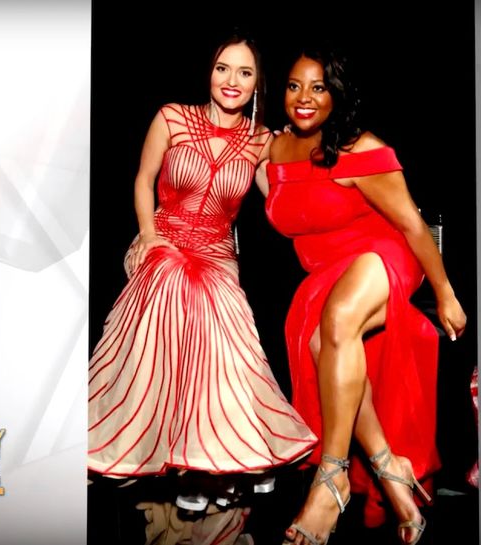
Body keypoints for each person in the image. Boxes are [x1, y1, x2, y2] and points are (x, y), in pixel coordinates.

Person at [87, 34, 317, 544]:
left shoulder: (261, 141)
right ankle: (157, 448)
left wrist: (301, 162)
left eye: (245, 72)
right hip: (163, 238)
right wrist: (148, 235)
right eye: (223, 68)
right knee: (175, 280)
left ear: (258, 83)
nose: (232, 81)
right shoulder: (172, 118)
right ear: (208, 72)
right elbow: (143, 180)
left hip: (216, 254)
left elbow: (281, 205)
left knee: (220, 307)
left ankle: (210, 461)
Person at [260, 47, 467, 545]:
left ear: (336, 94)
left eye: (318, 87)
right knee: (322, 343)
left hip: (383, 253)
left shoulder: (361, 149)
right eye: (294, 86)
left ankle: (330, 479)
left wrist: (445, 293)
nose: (304, 98)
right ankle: (390, 469)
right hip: (326, 270)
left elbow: (413, 225)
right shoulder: (273, 149)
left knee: (335, 321)